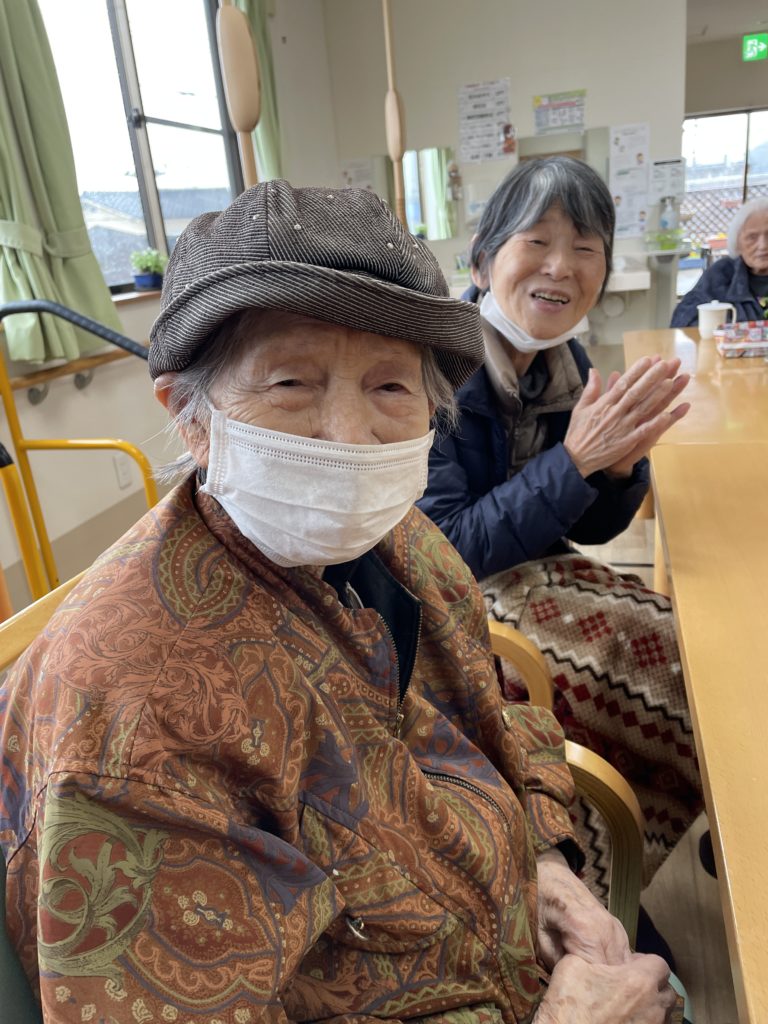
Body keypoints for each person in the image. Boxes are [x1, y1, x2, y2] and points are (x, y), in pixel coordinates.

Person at [0, 181, 681, 1024]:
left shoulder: (406, 546)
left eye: (390, 389)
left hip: (502, 939)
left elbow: (496, 721)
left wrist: (545, 861)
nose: (349, 437)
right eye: (291, 382)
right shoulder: (135, 719)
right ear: (189, 415)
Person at [417, 157, 703, 906]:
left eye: (585, 248)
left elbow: (595, 529)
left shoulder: (561, 362)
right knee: (669, 669)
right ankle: (594, 883)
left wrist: (619, 468)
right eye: (537, 241)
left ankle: (626, 862)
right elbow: (446, 550)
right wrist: (575, 462)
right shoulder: (434, 367)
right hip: (447, 608)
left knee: (689, 642)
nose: (561, 266)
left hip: (534, 574)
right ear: (482, 260)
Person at [671, 196, 768, 326]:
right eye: (752, 237)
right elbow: (682, 320)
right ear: (738, 243)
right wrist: (722, 329)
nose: (763, 245)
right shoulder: (722, 273)